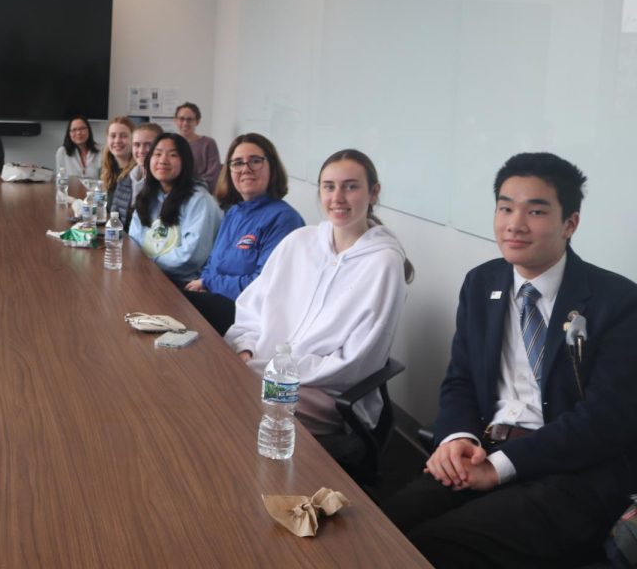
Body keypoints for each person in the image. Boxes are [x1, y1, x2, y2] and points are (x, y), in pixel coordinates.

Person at [384, 152, 637, 568]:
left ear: (569, 223)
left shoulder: (617, 302)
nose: (514, 224)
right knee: (384, 523)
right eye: (505, 207)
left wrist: (502, 466)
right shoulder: (483, 282)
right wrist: (457, 439)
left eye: (536, 211)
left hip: (570, 474)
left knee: (435, 546)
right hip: (484, 449)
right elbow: (461, 379)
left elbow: (605, 421)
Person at [224, 148, 412, 435]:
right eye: (329, 187)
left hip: (325, 392)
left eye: (350, 187)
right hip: (262, 370)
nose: (337, 198)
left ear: (374, 193)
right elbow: (253, 307)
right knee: (212, 388)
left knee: (237, 407)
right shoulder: (299, 241)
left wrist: (274, 371)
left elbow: (357, 362)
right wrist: (246, 349)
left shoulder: (383, 264)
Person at [183, 133, 305, 335]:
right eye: (237, 163)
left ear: (272, 167)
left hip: (252, 318)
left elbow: (262, 287)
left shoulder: (284, 219)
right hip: (217, 301)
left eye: (255, 161)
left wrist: (208, 283)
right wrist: (204, 282)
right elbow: (212, 263)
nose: (246, 169)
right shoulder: (233, 212)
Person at [127, 132, 221, 284]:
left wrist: (146, 263)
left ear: (186, 162)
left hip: (182, 285)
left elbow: (190, 258)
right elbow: (133, 242)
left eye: (173, 155)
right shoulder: (147, 196)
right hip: (145, 276)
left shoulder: (200, 200)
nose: (163, 160)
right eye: (157, 154)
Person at [113, 122, 161, 229]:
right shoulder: (124, 179)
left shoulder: (163, 183)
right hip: (123, 242)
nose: (141, 150)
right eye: (137, 144)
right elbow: (114, 218)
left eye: (148, 145)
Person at [173, 102, 222, 191]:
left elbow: (213, 176)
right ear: (175, 120)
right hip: (173, 193)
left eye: (190, 119)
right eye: (181, 119)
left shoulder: (208, 143)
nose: (185, 123)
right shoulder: (171, 143)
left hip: (199, 193)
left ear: (197, 122)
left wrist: (189, 188)